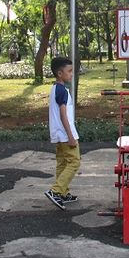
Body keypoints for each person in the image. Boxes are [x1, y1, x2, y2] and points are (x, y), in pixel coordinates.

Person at [44, 56, 81, 210]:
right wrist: (71, 136)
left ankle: (63, 193)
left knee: (62, 163)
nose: (71, 74)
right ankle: (56, 191)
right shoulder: (63, 91)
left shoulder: (55, 89)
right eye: (69, 71)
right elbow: (63, 114)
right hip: (66, 134)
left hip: (58, 134)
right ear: (60, 73)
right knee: (74, 162)